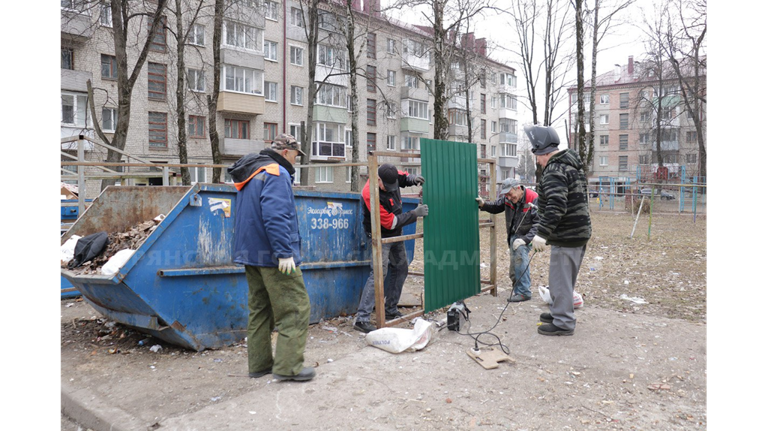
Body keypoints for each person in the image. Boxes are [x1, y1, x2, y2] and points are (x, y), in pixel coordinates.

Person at [228, 133, 316, 381]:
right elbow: (276, 216)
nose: (296, 161)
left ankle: (259, 364)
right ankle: (289, 367)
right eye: (297, 156)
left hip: (251, 255)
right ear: (287, 152)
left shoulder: (253, 172)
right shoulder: (277, 173)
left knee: (260, 309)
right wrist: (284, 252)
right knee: (296, 308)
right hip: (274, 257)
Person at [525, 124, 592, 336]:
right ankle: (558, 311)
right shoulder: (571, 165)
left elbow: (557, 204)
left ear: (543, 151)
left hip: (567, 233)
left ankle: (563, 322)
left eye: (537, 155)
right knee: (563, 279)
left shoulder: (554, 169)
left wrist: (542, 233)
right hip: (577, 231)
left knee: (560, 280)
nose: (537, 160)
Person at [354, 164, 428, 333]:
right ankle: (362, 318)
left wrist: (413, 179)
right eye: (386, 186)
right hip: (380, 236)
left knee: (401, 267)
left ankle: (390, 310)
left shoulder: (390, 174)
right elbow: (389, 222)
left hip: (396, 233)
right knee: (379, 273)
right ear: (377, 179)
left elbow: (403, 176)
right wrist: (415, 214)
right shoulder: (369, 193)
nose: (389, 189)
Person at [475, 178, 539, 302]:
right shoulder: (508, 198)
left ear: (519, 188)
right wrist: (483, 204)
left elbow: (538, 223)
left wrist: (525, 240)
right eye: (506, 195)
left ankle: (524, 292)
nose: (508, 198)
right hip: (514, 235)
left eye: (510, 194)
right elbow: (497, 206)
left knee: (520, 256)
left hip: (528, 235)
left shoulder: (533, 198)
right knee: (514, 268)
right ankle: (518, 289)